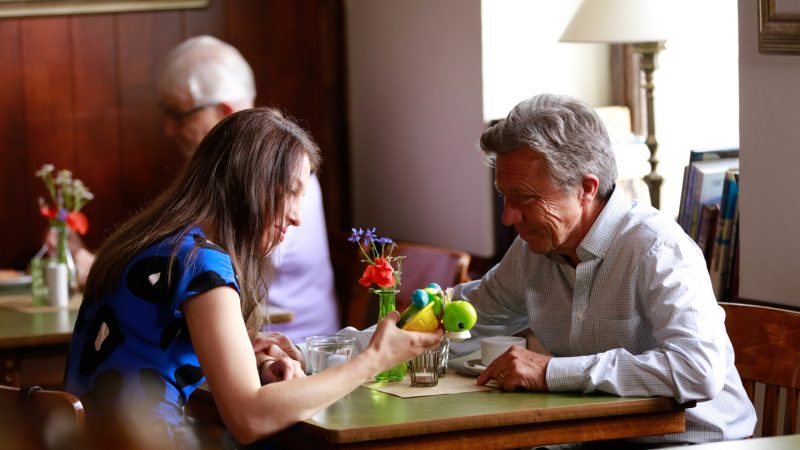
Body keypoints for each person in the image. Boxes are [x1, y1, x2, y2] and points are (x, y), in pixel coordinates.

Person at [63, 108, 443, 448]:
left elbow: (151, 350)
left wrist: (246, 358)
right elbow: (250, 419)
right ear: (248, 184)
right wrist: (375, 359)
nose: (298, 217)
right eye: (290, 192)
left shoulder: (153, 242)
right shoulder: (202, 263)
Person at [446, 93, 756, 447]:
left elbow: (697, 370)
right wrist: (393, 338)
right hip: (600, 438)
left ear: (586, 189)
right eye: (504, 195)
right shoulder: (533, 251)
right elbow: (468, 320)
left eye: (526, 197)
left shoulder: (658, 248)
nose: (508, 217)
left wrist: (551, 372)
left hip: (699, 444)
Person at [157, 35, 340, 342]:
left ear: (224, 112)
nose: (169, 128)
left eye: (179, 115)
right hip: (241, 337)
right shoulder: (235, 175)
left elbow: (217, 261)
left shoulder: (283, 172)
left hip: (294, 344)